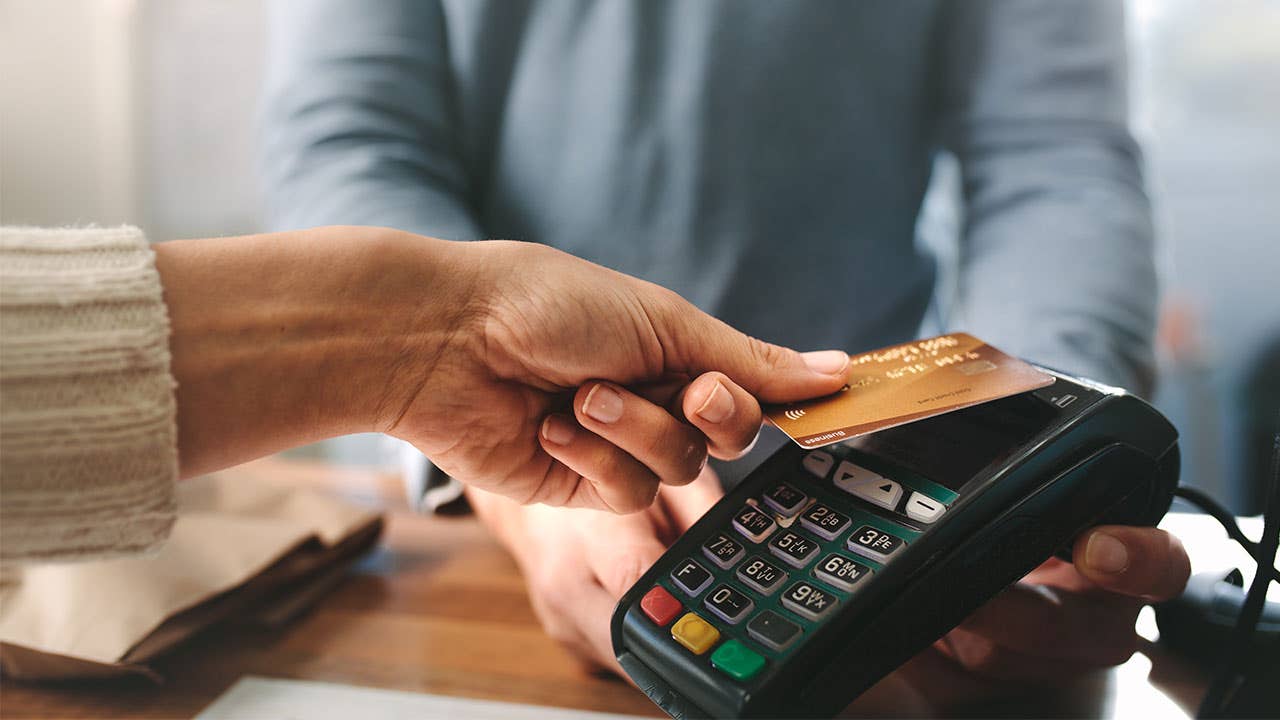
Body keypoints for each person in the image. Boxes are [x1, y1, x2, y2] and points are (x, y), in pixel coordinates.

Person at [259, 0, 1192, 691]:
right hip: (484, 523)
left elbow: (1052, 155)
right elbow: (354, 139)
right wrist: (508, 462)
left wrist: (1025, 461)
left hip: (884, 493)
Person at [0, 224, 849, 561]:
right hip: (510, 525)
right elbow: (346, 128)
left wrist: (440, 344)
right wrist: (441, 349)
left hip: (850, 485)